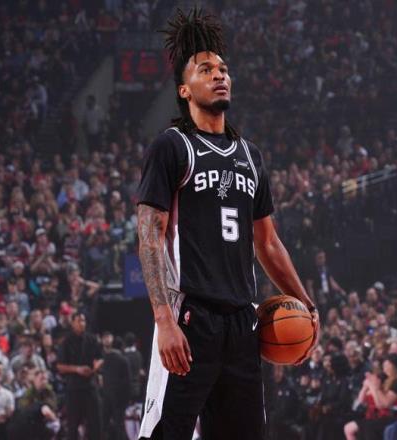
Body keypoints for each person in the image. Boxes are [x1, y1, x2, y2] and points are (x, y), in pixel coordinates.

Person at [136, 8, 318, 440]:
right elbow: (149, 237)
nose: (219, 75)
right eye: (205, 69)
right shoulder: (172, 146)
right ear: (184, 89)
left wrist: (306, 304)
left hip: (242, 324)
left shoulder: (251, 156)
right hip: (189, 316)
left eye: (223, 69)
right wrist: (163, 320)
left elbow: (268, 244)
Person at [56, 312, 103, 440]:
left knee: (96, 423)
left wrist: (96, 366)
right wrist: (77, 369)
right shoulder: (66, 342)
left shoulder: (92, 339)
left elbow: (100, 358)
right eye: (79, 321)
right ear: (72, 323)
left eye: (83, 320)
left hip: (90, 386)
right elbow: (60, 366)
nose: (82, 323)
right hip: (74, 388)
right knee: (73, 425)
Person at [344, 353, 397, 440]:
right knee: (349, 428)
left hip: (392, 417)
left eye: (388, 365)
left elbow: (383, 404)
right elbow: (361, 401)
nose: (385, 368)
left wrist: (374, 388)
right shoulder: (382, 379)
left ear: (395, 366)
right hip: (376, 416)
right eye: (384, 365)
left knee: (368, 427)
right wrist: (365, 387)